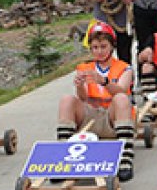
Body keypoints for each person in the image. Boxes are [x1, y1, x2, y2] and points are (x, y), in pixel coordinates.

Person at [55, 21, 137, 181]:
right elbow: (83, 97)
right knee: (67, 100)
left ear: (111, 47)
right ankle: (63, 158)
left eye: (103, 47)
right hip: (90, 117)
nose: (99, 52)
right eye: (95, 48)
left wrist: (104, 81)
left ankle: (125, 159)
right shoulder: (84, 67)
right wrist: (79, 86)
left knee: (121, 98)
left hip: (112, 119)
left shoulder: (124, 68)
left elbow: (122, 90)